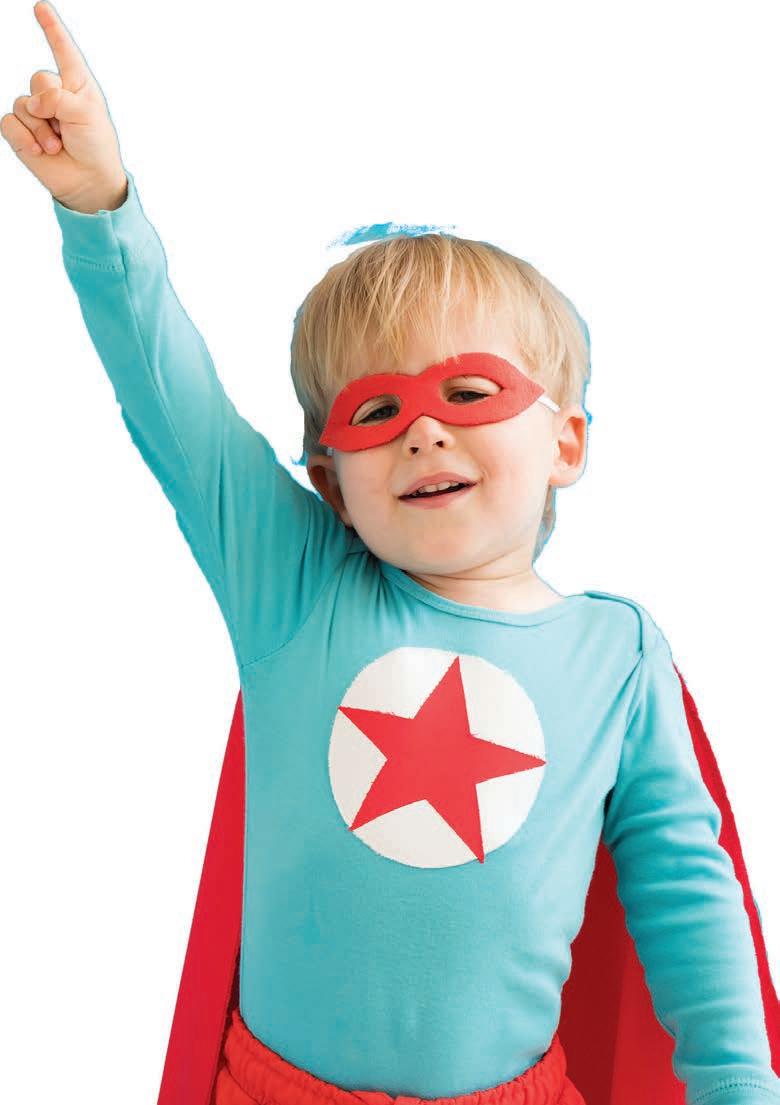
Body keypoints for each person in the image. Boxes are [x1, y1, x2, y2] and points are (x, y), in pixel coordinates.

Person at [3, 4, 778, 1104]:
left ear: (565, 443)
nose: (423, 430)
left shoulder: (619, 655)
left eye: (469, 391)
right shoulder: (296, 588)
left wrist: (739, 1085)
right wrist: (101, 210)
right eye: (376, 410)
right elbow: (175, 404)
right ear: (329, 483)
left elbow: (689, 894)